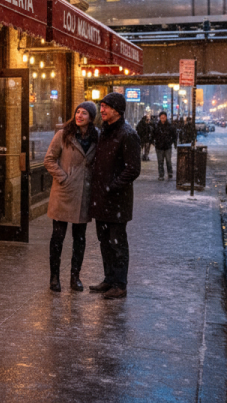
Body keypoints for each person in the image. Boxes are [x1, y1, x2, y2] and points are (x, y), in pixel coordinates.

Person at [88, 92, 141, 299]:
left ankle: (120, 284)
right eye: (101, 106)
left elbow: (133, 169)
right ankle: (109, 279)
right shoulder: (104, 131)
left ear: (117, 111)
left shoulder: (128, 134)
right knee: (104, 242)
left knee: (117, 244)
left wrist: (112, 187)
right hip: (101, 200)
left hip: (117, 201)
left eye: (106, 107)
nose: (101, 110)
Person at [43, 101, 99, 293]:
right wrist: (63, 178)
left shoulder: (96, 137)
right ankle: (54, 277)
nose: (79, 116)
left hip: (83, 194)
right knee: (57, 237)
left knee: (79, 238)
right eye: (78, 112)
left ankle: (75, 277)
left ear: (91, 118)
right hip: (64, 193)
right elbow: (49, 160)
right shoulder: (63, 134)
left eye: (84, 113)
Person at [152, 111, 178, 181]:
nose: (163, 118)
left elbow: (174, 135)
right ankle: (161, 174)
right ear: (160, 117)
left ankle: (170, 172)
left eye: (164, 117)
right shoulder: (157, 126)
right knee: (160, 161)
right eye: (161, 117)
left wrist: (172, 142)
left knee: (168, 160)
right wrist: (154, 142)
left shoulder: (170, 126)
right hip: (159, 147)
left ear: (166, 117)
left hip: (167, 146)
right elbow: (153, 134)